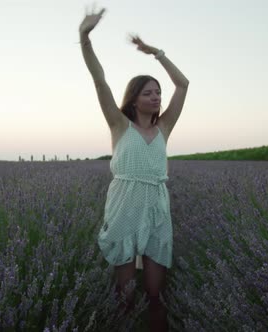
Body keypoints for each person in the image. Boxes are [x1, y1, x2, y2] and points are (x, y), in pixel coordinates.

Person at [79, 6, 188, 332]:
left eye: (158, 93)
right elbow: (99, 80)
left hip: (156, 204)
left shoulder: (164, 127)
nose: (156, 97)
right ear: (135, 98)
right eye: (148, 93)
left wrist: (158, 53)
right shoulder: (119, 124)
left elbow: (182, 85)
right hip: (125, 203)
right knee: (125, 293)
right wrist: (84, 37)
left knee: (156, 293)